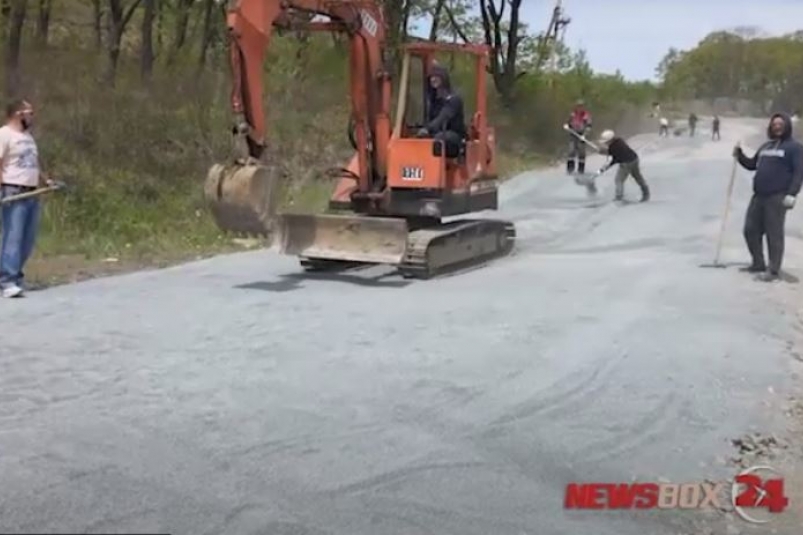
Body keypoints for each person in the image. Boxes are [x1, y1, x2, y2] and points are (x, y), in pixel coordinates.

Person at [733, 113, 803, 282]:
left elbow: (799, 172)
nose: (777, 126)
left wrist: (792, 194)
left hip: (777, 197)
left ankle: (773, 270)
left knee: (774, 234)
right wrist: (739, 155)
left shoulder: (794, 147)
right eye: (774, 124)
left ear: (786, 126)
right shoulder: (766, 146)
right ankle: (758, 263)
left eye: (780, 124)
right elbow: (752, 165)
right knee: (750, 230)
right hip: (759, 196)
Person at [0, 99, 48, 298]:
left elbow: (33, 162)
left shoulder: (27, 136)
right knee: (13, 237)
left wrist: (47, 179)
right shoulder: (4, 134)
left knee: (27, 239)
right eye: (29, 113)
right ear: (18, 114)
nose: (32, 117)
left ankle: (16, 277)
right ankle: (6, 281)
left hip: (31, 191)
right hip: (13, 191)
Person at [417, 64, 466, 159]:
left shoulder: (453, 99)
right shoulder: (434, 101)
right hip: (437, 134)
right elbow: (431, 120)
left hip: (454, 137)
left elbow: (442, 118)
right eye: (431, 77)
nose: (433, 79)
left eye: (436, 76)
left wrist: (427, 129)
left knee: (439, 138)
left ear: (443, 78)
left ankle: (437, 166)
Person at [595, 129, 650, 203]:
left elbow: (613, 159)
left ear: (610, 140)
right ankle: (646, 194)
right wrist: (603, 151)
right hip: (634, 159)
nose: (606, 143)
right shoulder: (619, 141)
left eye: (607, 142)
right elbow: (611, 152)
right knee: (638, 177)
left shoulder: (615, 147)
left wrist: (602, 169)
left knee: (618, 180)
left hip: (626, 163)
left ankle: (619, 197)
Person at [565, 99, 592, 175]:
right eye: (578, 106)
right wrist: (567, 126)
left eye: (581, 106)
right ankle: (570, 169)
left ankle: (581, 170)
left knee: (581, 153)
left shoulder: (586, 115)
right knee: (571, 151)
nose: (579, 108)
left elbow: (589, 126)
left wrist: (584, 135)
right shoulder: (572, 114)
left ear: (583, 107)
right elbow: (568, 123)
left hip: (581, 135)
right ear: (576, 107)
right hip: (573, 135)